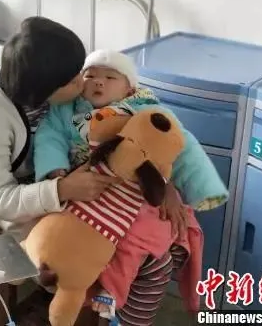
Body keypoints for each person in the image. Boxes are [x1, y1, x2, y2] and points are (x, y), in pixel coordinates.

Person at [33, 49, 229, 325]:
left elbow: (183, 147)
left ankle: (129, 315)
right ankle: (108, 295)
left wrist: (197, 189)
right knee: (141, 255)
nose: (98, 81)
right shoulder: (66, 110)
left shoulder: (147, 111)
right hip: (83, 192)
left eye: (110, 77)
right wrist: (56, 170)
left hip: (134, 194)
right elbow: (49, 137)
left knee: (167, 246)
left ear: (129, 88)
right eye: (90, 75)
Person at [0, 16, 121, 325]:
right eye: (72, 81)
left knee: (128, 242)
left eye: (80, 71)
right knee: (76, 263)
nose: (83, 82)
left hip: (79, 188)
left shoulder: (68, 95)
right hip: (25, 207)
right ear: (42, 91)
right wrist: (61, 190)